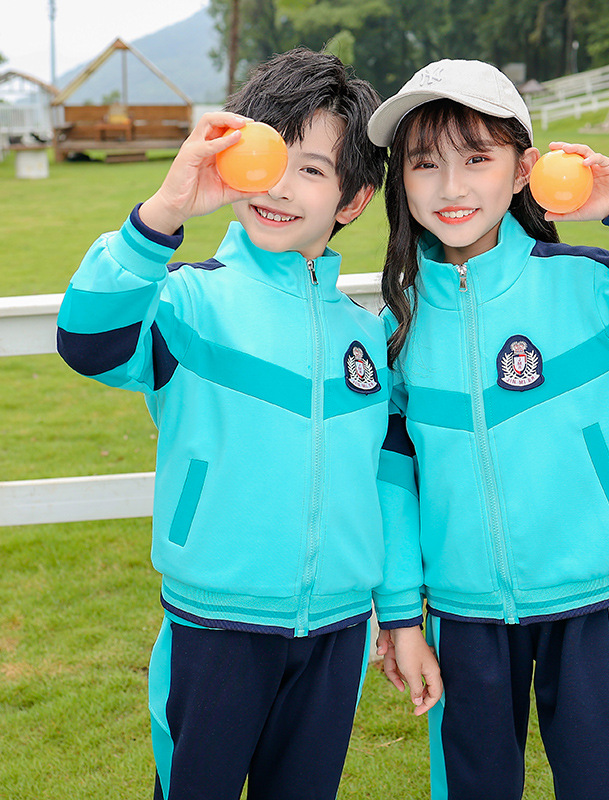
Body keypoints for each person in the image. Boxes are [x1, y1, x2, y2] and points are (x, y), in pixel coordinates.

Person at [56, 47, 440, 800]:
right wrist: (165, 210)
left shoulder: (366, 341)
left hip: (335, 633)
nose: (280, 188)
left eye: (314, 170)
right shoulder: (188, 304)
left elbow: (389, 483)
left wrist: (398, 615)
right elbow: (88, 342)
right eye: (270, 158)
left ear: (353, 200)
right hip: (214, 628)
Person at [369, 59, 609, 800]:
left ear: (523, 172)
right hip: (462, 609)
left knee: (606, 784)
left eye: (478, 159)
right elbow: (394, 481)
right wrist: (402, 615)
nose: (451, 187)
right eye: (425, 164)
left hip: (590, 599)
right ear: (401, 184)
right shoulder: (398, 328)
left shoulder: (593, 289)